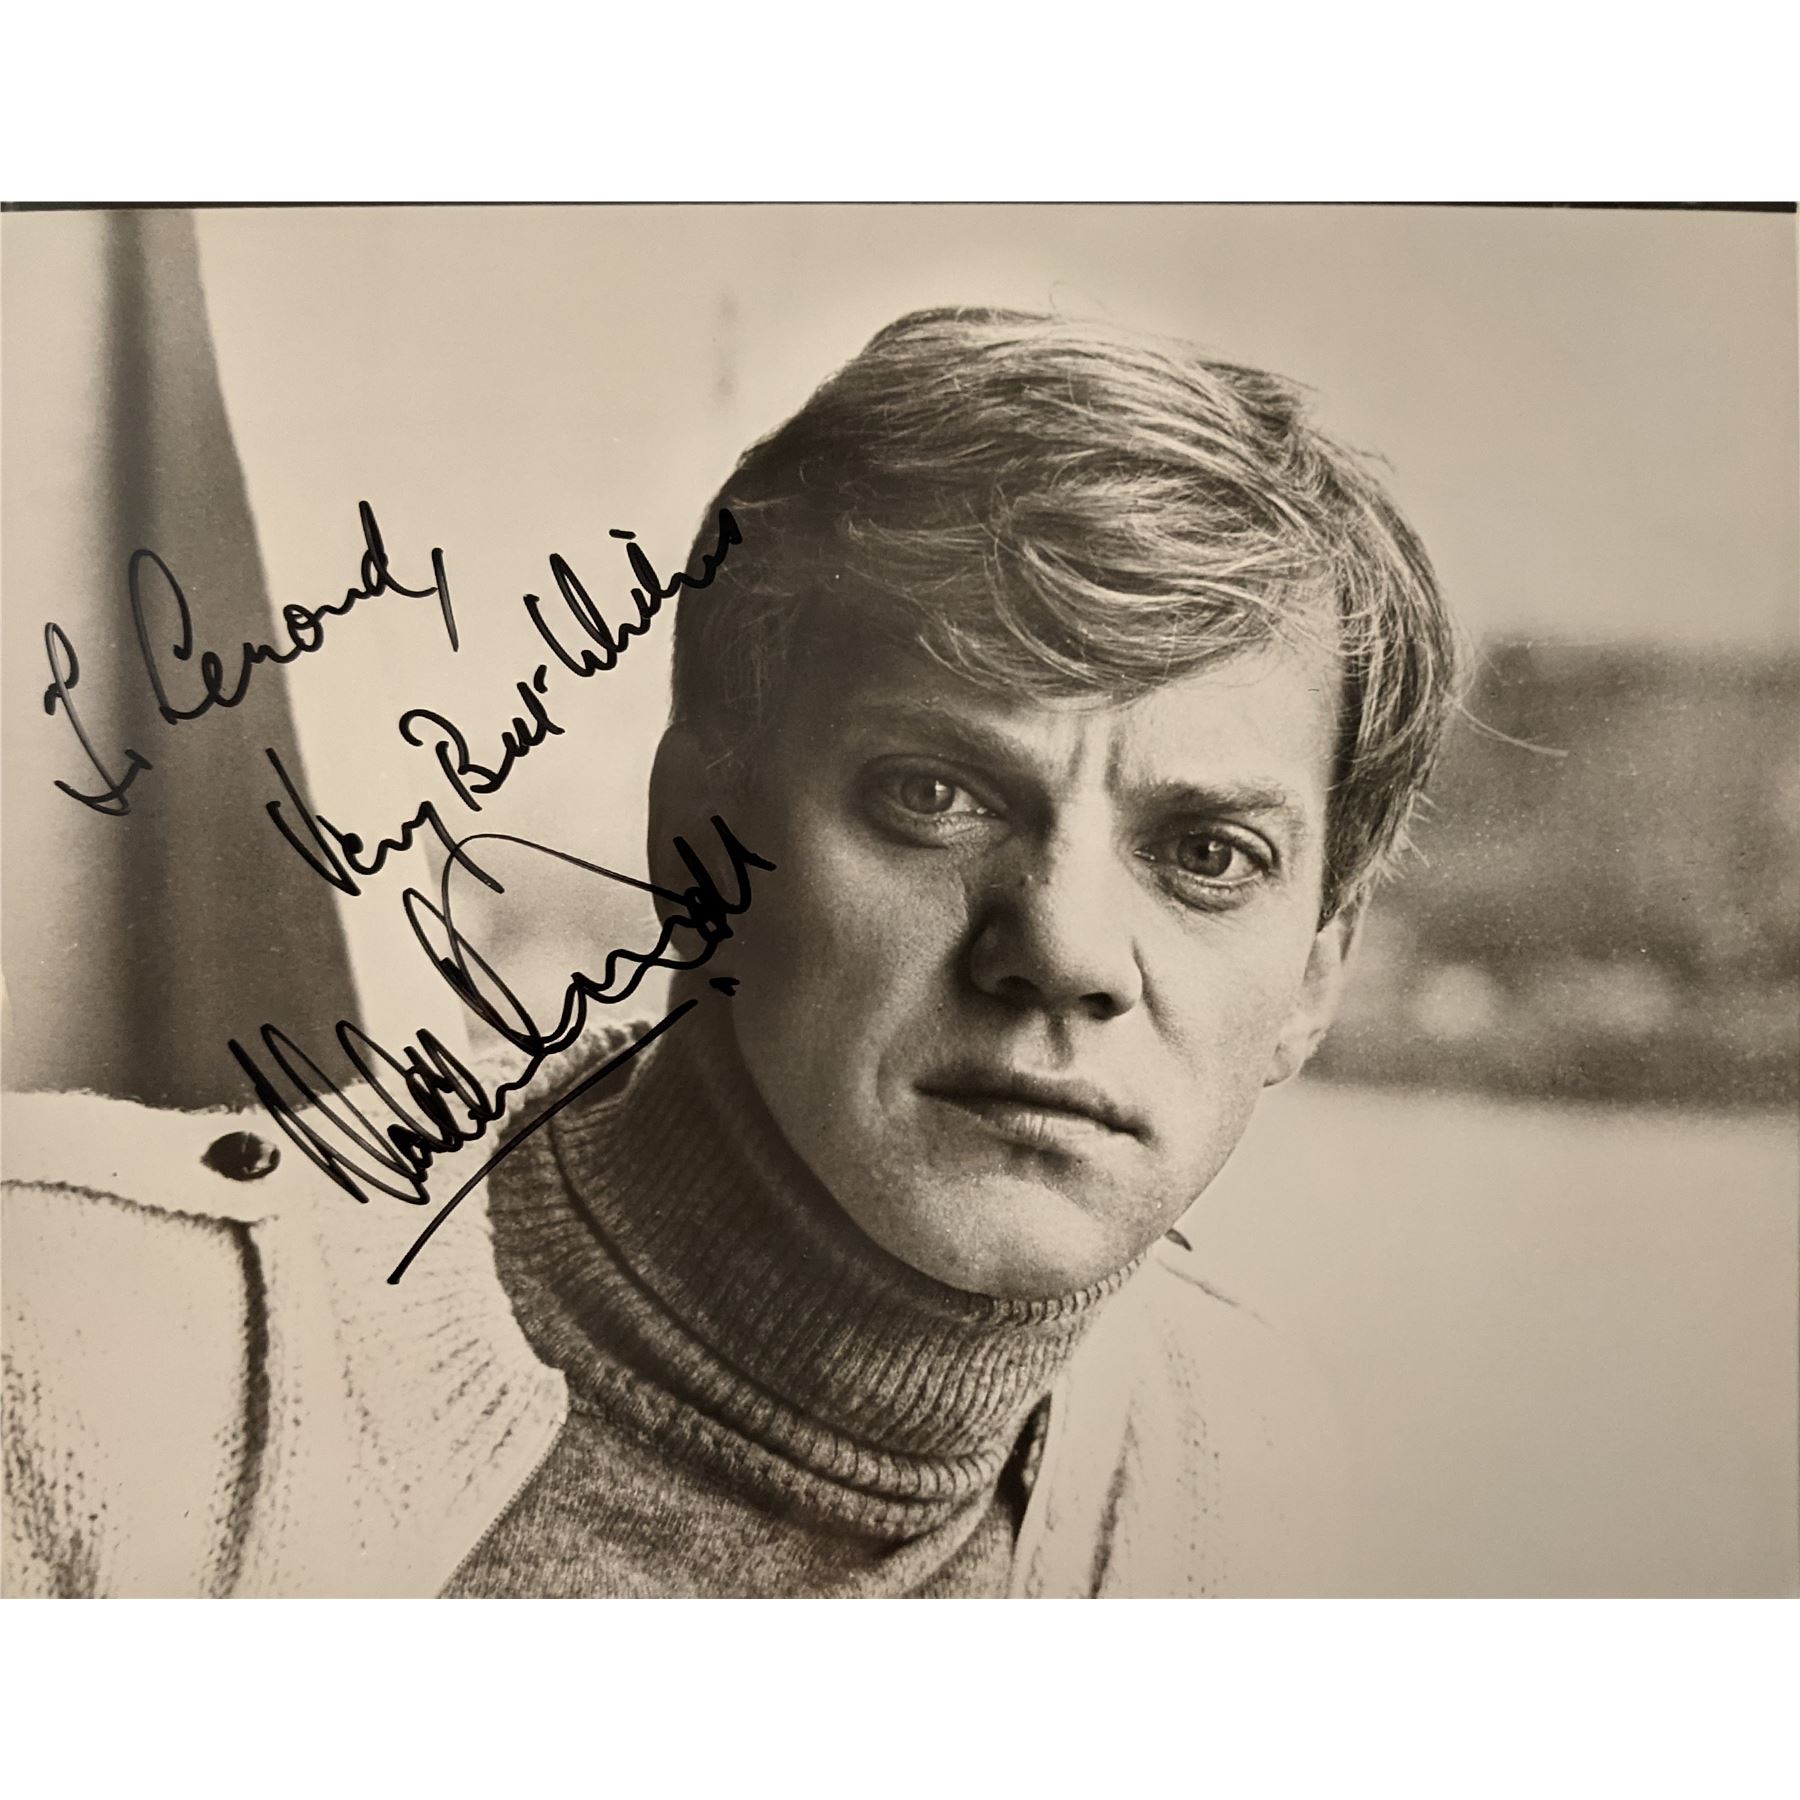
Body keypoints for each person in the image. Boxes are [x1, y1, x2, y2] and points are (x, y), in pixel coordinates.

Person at [2, 306, 1460, 1597]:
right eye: (933, 794)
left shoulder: (1243, 1464)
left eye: (1208, 856)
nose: (1066, 950)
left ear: (1314, 980)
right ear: (700, 833)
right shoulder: (74, 1344)